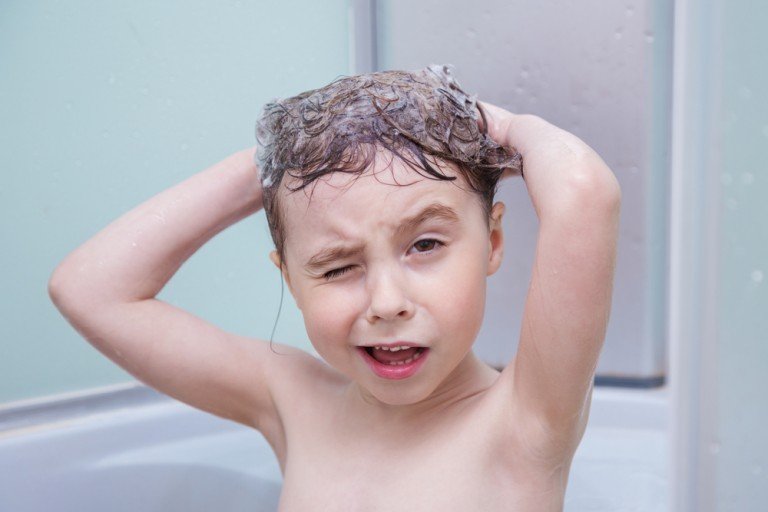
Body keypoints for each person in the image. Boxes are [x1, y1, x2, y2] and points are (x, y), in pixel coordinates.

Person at [48, 64, 621, 511]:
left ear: (492, 243)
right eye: (336, 267)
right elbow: (89, 288)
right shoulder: (294, 402)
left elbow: (583, 192)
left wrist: (493, 128)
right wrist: (285, 162)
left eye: (425, 246)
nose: (387, 302)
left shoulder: (525, 421)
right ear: (289, 278)